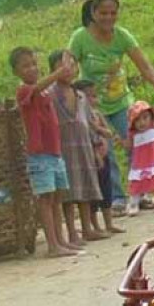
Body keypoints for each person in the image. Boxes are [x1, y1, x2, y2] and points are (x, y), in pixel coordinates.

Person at [68, 0, 154, 215]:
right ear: (93, 13)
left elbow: (143, 65)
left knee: (138, 145)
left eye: (113, 13)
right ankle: (116, 197)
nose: (108, 18)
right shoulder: (80, 38)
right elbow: (68, 66)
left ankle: (142, 192)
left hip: (123, 102)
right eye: (103, 13)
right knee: (107, 153)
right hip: (94, 105)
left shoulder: (122, 36)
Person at [10, 46, 82, 258]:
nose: (32, 68)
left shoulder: (44, 91)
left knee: (57, 197)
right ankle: (52, 244)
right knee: (46, 198)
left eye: (34, 64)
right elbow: (36, 88)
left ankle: (60, 241)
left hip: (54, 152)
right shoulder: (24, 90)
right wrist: (58, 73)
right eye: (25, 66)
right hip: (39, 154)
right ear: (16, 72)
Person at [47, 49, 108, 243]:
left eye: (72, 65)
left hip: (83, 147)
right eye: (62, 67)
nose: (68, 70)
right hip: (63, 148)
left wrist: (97, 146)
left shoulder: (81, 96)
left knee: (85, 189)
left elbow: (90, 123)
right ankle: (72, 232)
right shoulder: (50, 94)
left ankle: (88, 228)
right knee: (67, 194)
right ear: (53, 71)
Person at [74, 79, 126, 235]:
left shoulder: (97, 115)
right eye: (88, 97)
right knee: (93, 194)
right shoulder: (80, 118)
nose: (93, 100)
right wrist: (96, 154)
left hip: (104, 157)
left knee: (106, 190)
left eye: (94, 96)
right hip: (91, 160)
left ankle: (109, 223)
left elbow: (109, 133)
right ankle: (95, 226)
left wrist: (98, 128)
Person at [125, 96, 154, 216]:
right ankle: (133, 203)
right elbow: (128, 146)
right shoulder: (133, 134)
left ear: (151, 117)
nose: (142, 123)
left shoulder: (153, 126)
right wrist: (122, 140)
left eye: (145, 118)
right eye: (137, 120)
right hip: (139, 164)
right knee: (136, 185)